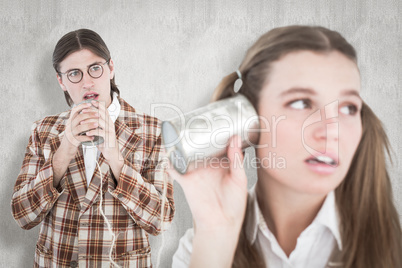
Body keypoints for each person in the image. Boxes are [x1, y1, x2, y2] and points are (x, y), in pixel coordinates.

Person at [170, 25, 402, 268]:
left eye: (348, 108)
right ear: (247, 120)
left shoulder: (393, 250)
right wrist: (217, 233)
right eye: (302, 103)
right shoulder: (199, 249)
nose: (332, 130)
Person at [11, 29, 174, 267]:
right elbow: (22, 216)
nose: (87, 82)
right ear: (61, 81)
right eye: (74, 73)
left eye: (95, 68)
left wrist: (116, 160)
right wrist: (64, 151)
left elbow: (161, 221)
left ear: (110, 69)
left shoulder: (153, 130)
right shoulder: (43, 131)